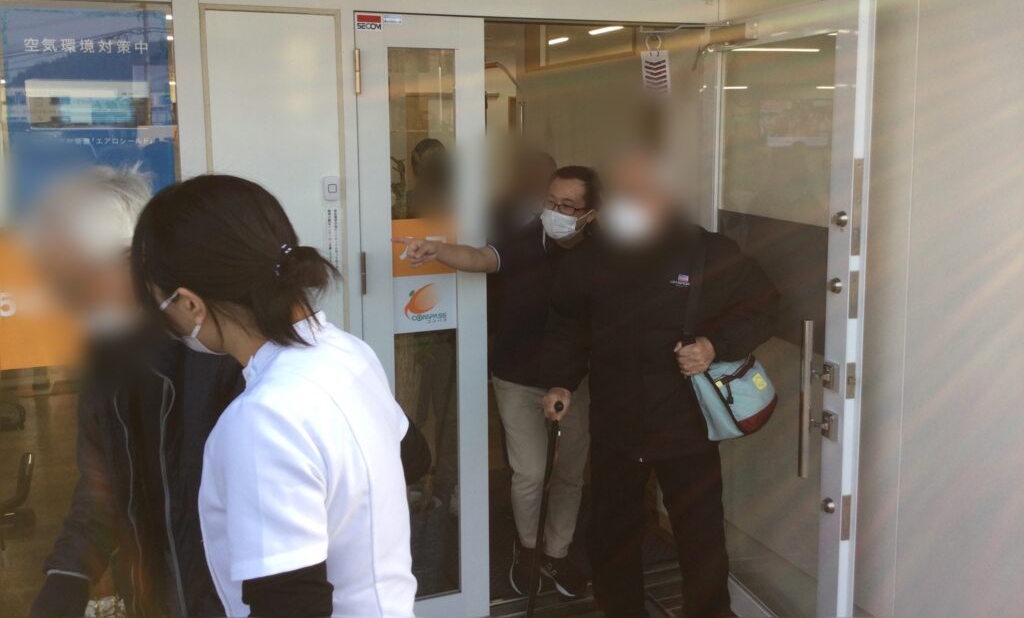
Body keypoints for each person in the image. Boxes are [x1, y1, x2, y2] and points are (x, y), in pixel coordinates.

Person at [130, 174, 416, 618]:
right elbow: (413, 456)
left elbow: (290, 606)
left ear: (189, 304)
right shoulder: (346, 351)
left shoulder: (264, 419)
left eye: (157, 304)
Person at [540, 151, 780, 618]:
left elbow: (765, 303)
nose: (624, 202)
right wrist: (560, 382)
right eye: (619, 193)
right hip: (615, 421)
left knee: (699, 536)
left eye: (638, 193)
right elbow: (567, 321)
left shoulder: (706, 251)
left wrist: (714, 345)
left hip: (686, 423)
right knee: (612, 534)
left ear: (665, 197)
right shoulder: (593, 255)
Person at [25, 167, 243, 618]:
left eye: (77, 282)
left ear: (133, 258)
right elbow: (103, 484)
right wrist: (69, 574)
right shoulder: (107, 358)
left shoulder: (224, 350)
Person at [394, 165, 600, 599]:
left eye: (567, 206)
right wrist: (436, 249)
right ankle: (527, 550)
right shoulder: (526, 238)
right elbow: (479, 258)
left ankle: (556, 553)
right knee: (531, 472)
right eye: (550, 202)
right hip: (518, 377)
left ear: (589, 214)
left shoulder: (602, 253)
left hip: (575, 381)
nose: (555, 212)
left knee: (569, 473)